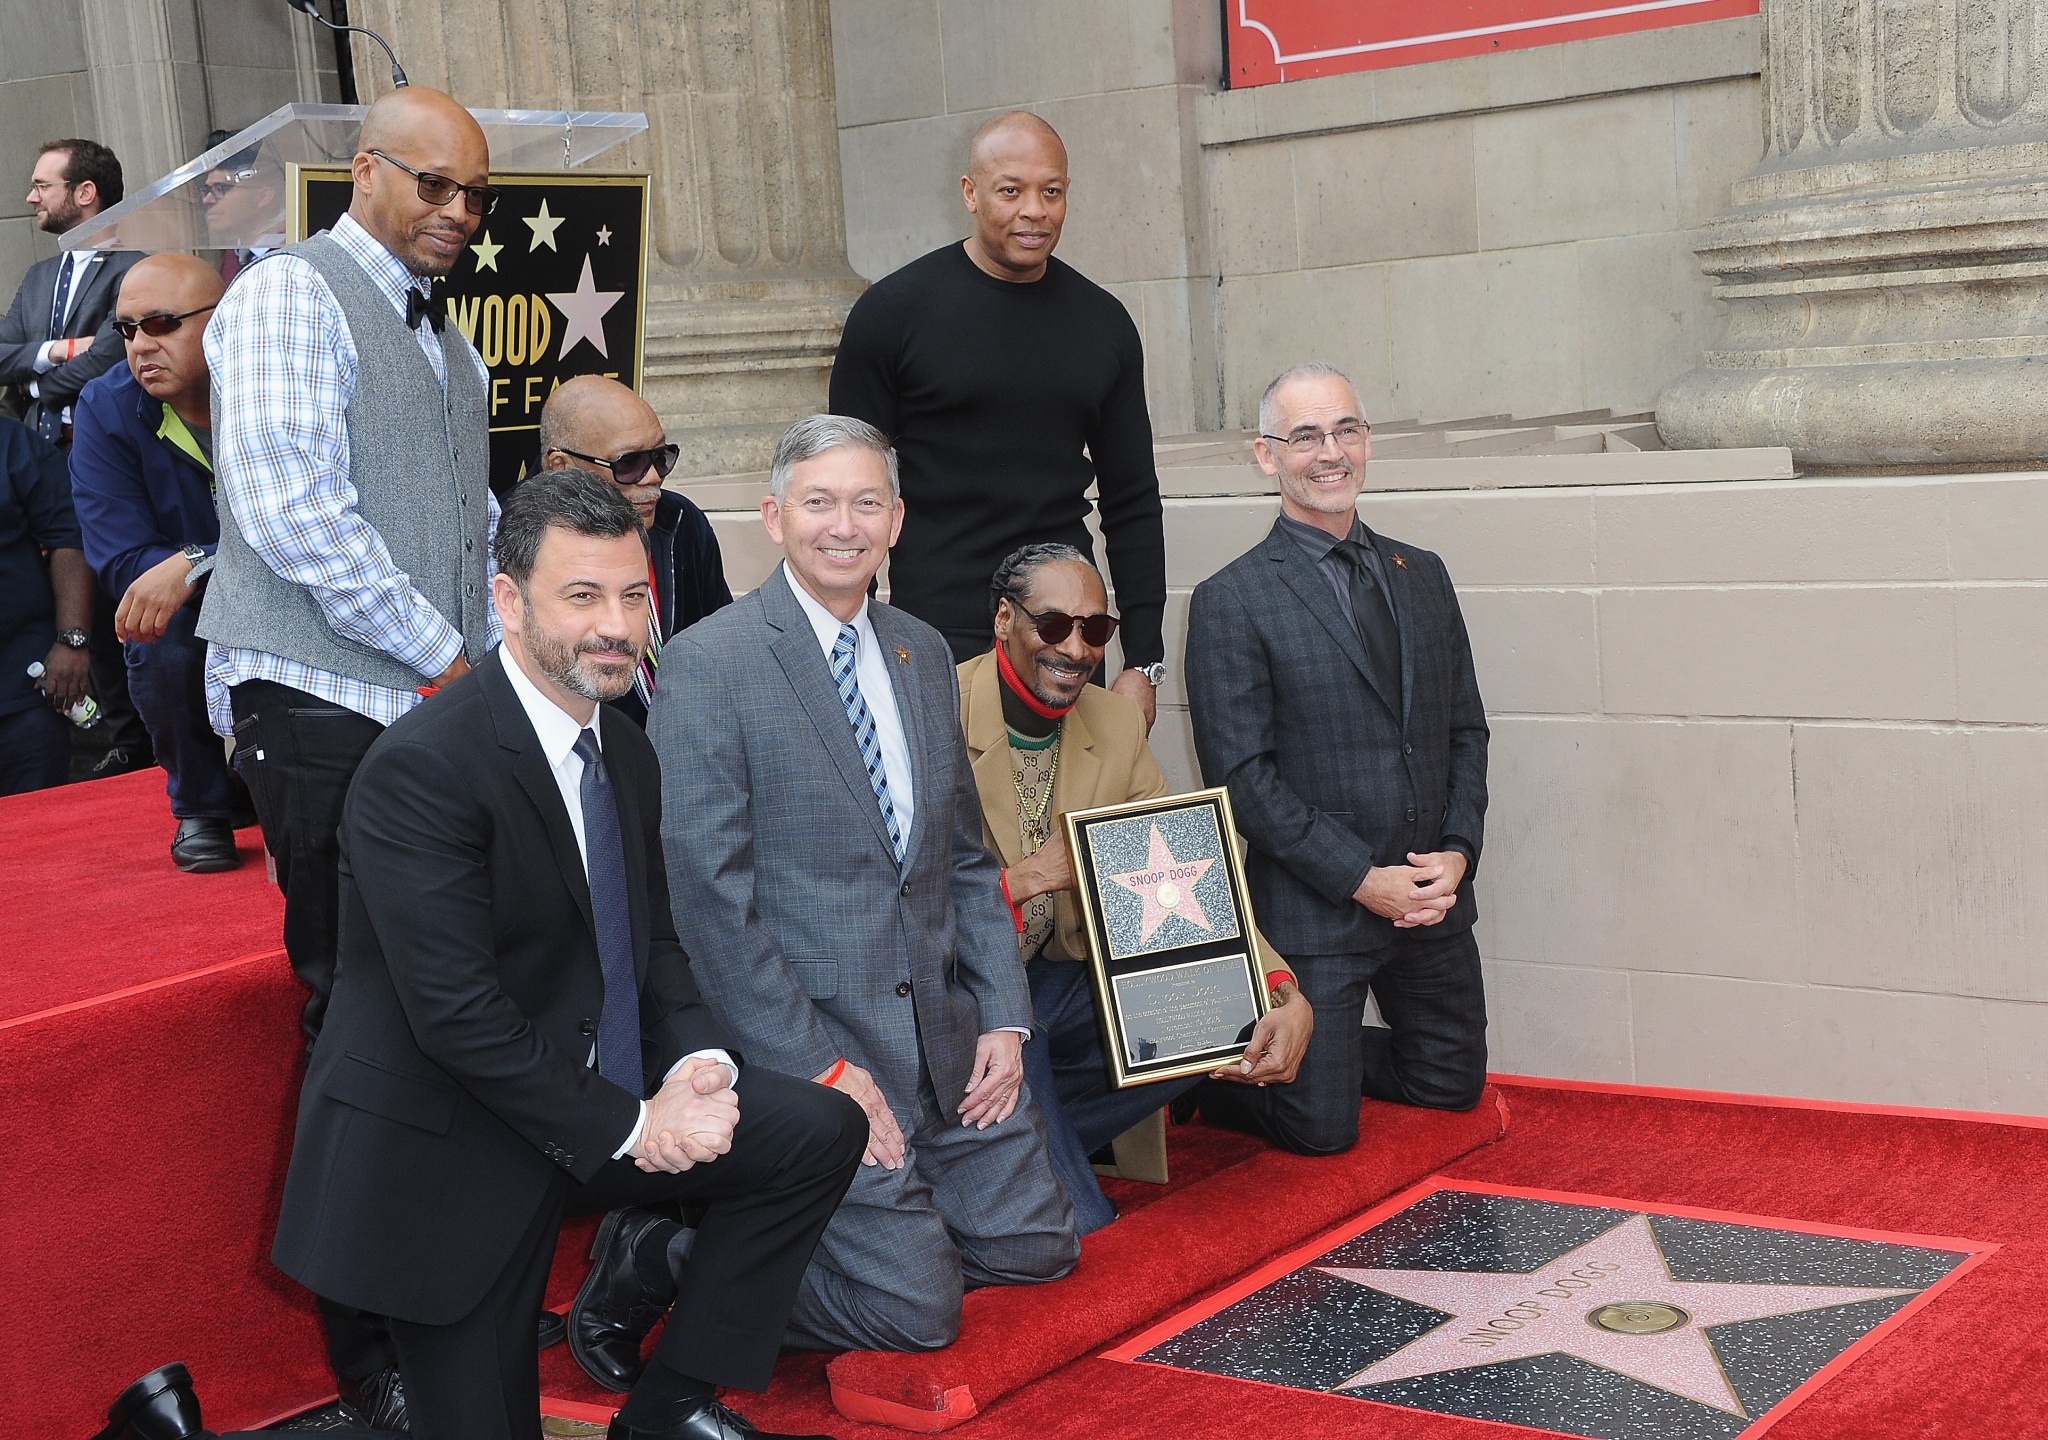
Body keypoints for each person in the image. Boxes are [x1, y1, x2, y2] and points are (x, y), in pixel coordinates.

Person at [90, 470, 864, 1440]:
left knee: (812, 1132)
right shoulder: (421, 770)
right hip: (444, 1156)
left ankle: (668, 1410)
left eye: (632, 595)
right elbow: (459, 1016)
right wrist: (635, 1126)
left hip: (569, 1115)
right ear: (507, 602)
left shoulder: (623, 752)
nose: (616, 626)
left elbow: (656, 947)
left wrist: (701, 1071)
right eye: (580, 597)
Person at [195, 85, 503, 1426]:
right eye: (430, 184)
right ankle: (365, 1345)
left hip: (431, 711)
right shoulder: (284, 297)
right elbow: (294, 512)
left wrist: (512, 654)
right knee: (362, 1021)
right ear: (363, 172)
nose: (455, 212)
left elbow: (477, 522)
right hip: (321, 704)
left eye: (473, 195)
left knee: (450, 1011)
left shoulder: (450, 339)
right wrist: (453, 658)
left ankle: (446, 1284)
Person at [643, 413, 1077, 1356]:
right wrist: (820, 1071)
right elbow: (711, 903)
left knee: (1043, 1251)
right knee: (915, 1313)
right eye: (819, 503)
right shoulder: (708, 665)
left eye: (865, 503)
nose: (843, 525)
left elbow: (965, 857)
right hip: (820, 1054)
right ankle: (672, 1260)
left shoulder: (923, 654)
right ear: (773, 516)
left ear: (897, 520)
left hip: (947, 1047)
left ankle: (883, 1228)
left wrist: (1003, 1013)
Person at [958, 542, 1313, 1233]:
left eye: (1095, 630)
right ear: (1004, 620)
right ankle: (1002, 1149)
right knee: (1081, 1225)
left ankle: (998, 1141)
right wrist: (1029, 877)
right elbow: (888, 902)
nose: (1076, 647)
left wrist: (1278, 988)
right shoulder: (931, 712)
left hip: (1056, 979)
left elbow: (1184, 875)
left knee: (1221, 1020)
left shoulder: (1115, 723)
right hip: (967, 996)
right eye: (1053, 625)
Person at [1184, 363, 1491, 1157]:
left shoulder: (1421, 573)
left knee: (1450, 1085)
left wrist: (1456, 856)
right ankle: (1202, 1083)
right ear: (1266, 456)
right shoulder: (1232, 599)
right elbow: (1245, 782)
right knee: (1321, 1134)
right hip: (1319, 908)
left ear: (1367, 441)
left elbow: (1465, 730)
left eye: (1345, 430)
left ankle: (1333, 1059)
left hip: (1427, 898)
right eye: (1306, 436)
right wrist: (1363, 880)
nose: (1331, 452)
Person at [829, 111, 1168, 726]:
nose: (1033, 210)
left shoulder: (1104, 323)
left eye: (1052, 191)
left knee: (1064, 816)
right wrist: (854, 637)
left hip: (1067, 630)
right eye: (1011, 190)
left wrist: (1143, 660)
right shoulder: (892, 314)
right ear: (971, 193)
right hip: (936, 630)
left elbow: (1133, 499)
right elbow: (848, 495)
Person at [69, 255, 245, 871]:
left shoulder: (269, 387)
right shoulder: (106, 405)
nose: (141, 345)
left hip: (294, 584)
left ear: (221, 320)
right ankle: (202, 806)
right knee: (154, 624)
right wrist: (198, 570)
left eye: (163, 324)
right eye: (127, 329)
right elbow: (121, 560)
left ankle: (266, 780)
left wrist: (201, 560)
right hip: (188, 612)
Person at [1, 137, 151, 776]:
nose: (31, 197)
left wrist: (36, 366)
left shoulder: (136, 270)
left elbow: (113, 363)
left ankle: (136, 740)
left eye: (43, 184)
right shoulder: (40, 276)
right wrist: (63, 352)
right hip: (39, 462)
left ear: (84, 193)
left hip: (106, 465)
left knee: (115, 597)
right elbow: (4, 354)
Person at [536, 375, 731, 728]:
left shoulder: (682, 522)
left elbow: (724, 647)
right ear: (560, 466)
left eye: (662, 456)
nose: (653, 476)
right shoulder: (516, 541)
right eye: (629, 463)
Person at [0, 414, 90, 795]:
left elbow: (69, 536)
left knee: (37, 835)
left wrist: (72, 641)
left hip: (21, 686)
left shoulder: (12, 443)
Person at [198, 146, 285, 281]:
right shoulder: (232, 258)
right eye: (207, 189)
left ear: (263, 197)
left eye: (221, 188)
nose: (207, 199)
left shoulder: (291, 255)